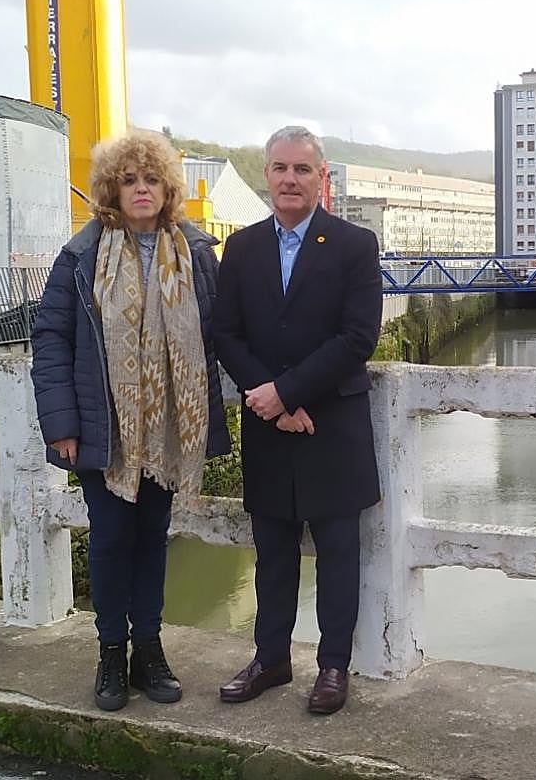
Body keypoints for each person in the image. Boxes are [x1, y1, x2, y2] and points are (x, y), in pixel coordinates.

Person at [30, 130, 231, 711]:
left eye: (151, 180)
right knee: (113, 540)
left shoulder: (196, 252)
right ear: (110, 191)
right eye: (129, 180)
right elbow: (51, 338)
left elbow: (221, 332)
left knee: (153, 539)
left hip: (168, 428)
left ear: (169, 188)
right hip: (106, 429)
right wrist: (61, 423)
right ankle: (111, 655)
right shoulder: (81, 254)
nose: (141, 190)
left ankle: (150, 649)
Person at [213, 125, 381, 715]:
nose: (290, 179)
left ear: (321, 178)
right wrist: (270, 400)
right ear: (267, 176)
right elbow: (224, 332)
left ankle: (333, 666)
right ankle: (271, 658)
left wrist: (285, 392)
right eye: (280, 168)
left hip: (331, 423)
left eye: (302, 170)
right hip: (269, 425)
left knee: (338, 552)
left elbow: (358, 336)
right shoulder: (241, 248)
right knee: (273, 552)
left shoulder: (356, 245)